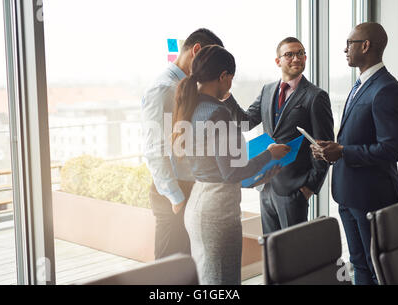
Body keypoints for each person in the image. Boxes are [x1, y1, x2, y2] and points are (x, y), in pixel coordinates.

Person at [172, 45, 290, 285]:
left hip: (200, 202)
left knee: (209, 279)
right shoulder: (218, 112)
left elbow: (216, 169)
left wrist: (259, 175)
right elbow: (232, 171)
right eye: (231, 79)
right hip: (217, 210)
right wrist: (269, 154)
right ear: (224, 76)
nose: (231, 84)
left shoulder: (192, 106)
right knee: (222, 282)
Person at [311, 22, 398, 285]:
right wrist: (331, 149)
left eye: (350, 43)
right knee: (358, 263)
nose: (345, 49)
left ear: (365, 46)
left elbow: (391, 149)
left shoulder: (387, 89)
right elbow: (355, 136)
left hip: (371, 197)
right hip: (347, 193)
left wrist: (342, 151)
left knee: (378, 267)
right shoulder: (360, 84)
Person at [224, 37, 334, 234]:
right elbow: (247, 122)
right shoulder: (268, 90)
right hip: (265, 185)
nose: (296, 58)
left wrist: (309, 187)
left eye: (300, 53)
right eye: (289, 54)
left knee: (294, 253)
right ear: (278, 61)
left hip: (294, 188)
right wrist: (226, 97)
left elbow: (324, 146)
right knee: (271, 248)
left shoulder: (316, 96)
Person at [141, 29, 224, 260]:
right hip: (174, 192)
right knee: (170, 270)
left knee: (188, 266)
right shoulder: (163, 88)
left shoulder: (186, 86)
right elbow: (154, 149)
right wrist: (175, 197)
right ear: (196, 51)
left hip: (191, 186)